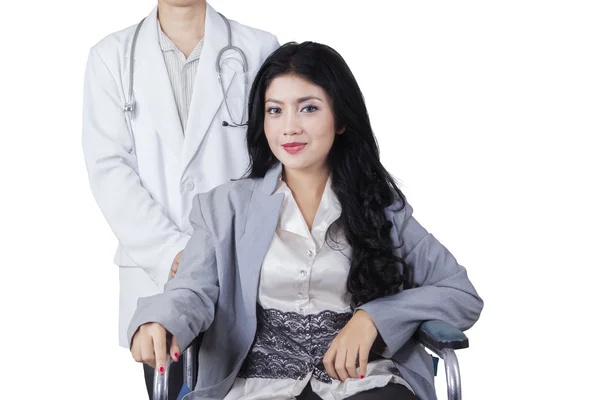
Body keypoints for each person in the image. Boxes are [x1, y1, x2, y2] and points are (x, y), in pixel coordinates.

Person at [127, 42, 484, 400]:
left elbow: (460, 293)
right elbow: (192, 289)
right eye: (275, 110)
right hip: (259, 386)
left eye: (308, 108)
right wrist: (160, 320)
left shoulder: (382, 208)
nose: (290, 127)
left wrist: (374, 318)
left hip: (363, 382)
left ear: (341, 119)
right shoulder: (225, 207)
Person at [81, 0, 279, 398]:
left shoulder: (259, 49)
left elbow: (276, 157)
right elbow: (109, 168)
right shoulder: (111, 57)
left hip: (246, 266)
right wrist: (176, 253)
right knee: (172, 386)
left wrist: (223, 248)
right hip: (157, 276)